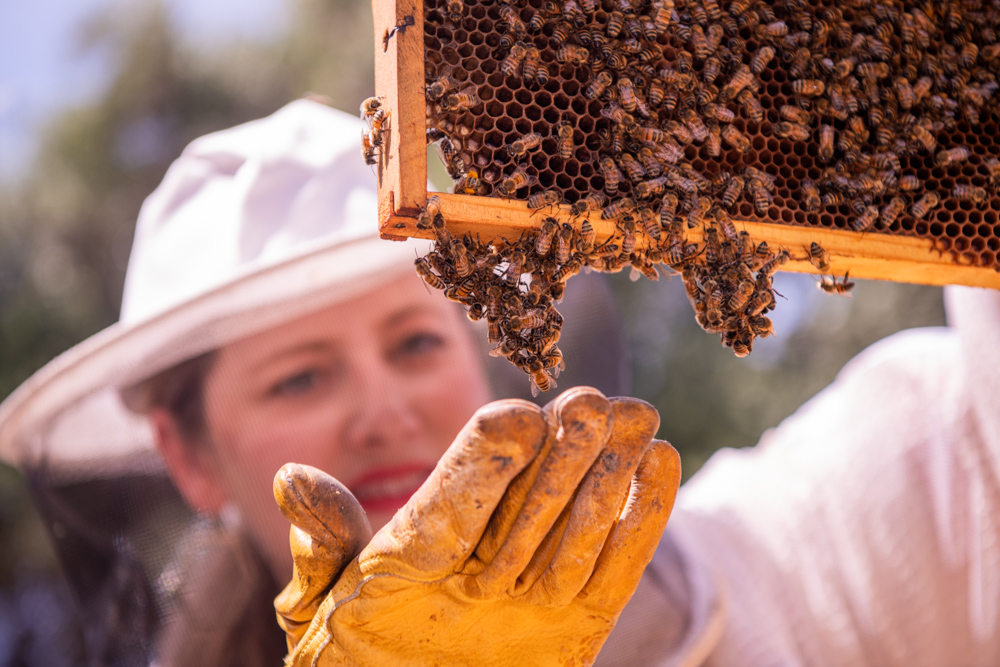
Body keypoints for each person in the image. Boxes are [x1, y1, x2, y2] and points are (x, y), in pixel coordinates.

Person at [2, 97, 999, 666]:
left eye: (414, 343)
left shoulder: (787, 557)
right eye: (300, 377)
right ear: (191, 458)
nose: (384, 407)